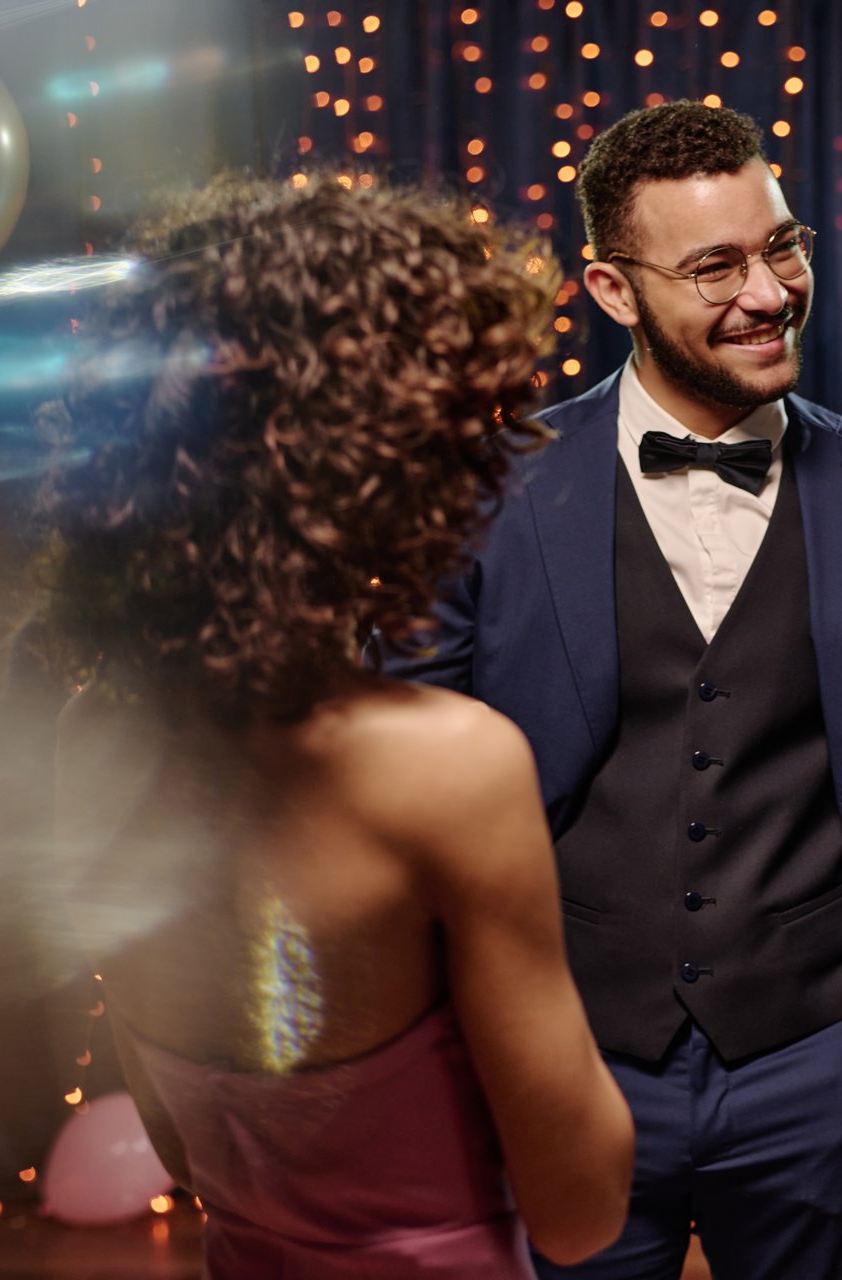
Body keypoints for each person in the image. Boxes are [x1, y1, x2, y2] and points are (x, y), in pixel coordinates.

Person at [383, 101, 842, 1279]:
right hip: (561, 1068)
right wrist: (465, 1043)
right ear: (615, 290)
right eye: (716, 265)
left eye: (782, 246)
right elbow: (396, 797)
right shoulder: (490, 494)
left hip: (828, 1073)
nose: (770, 292)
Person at [43, 175, 633, 1278]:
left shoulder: (90, 743)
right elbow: (581, 1210)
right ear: (381, 462)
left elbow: (177, 1141)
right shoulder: (447, 766)